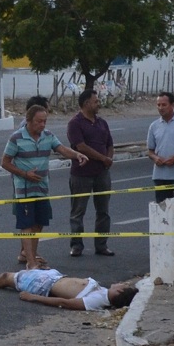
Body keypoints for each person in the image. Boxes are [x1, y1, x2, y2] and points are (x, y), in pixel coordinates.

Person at [1, 102, 90, 265]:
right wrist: (24, 174)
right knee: (27, 225)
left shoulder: (48, 135)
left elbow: (61, 148)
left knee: (39, 223)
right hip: (24, 190)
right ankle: (30, 261)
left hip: (42, 188)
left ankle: (32, 256)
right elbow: (5, 162)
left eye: (44, 121)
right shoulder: (16, 138)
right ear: (28, 120)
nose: (42, 125)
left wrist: (77, 155)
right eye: (39, 121)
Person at [0, 260, 139, 312]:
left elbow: (64, 303)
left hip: (44, 286)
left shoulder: (97, 301)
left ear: (120, 291)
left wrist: (33, 297)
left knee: (6, 278)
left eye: (122, 285)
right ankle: (33, 266)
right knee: (32, 267)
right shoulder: (103, 293)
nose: (121, 283)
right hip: (53, 277)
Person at [65, 91, 117, 258]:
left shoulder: (102, 123)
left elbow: (110, 143)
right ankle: (76, 246)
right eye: (96, 101)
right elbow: (81, 147)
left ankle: (101, 245)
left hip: (102, 173)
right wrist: (103, 158)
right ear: (87, 103)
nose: (99, 103)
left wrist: (108, 158)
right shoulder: (75, 123)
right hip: (82, 173)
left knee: (103, 211)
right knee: (78, 211)